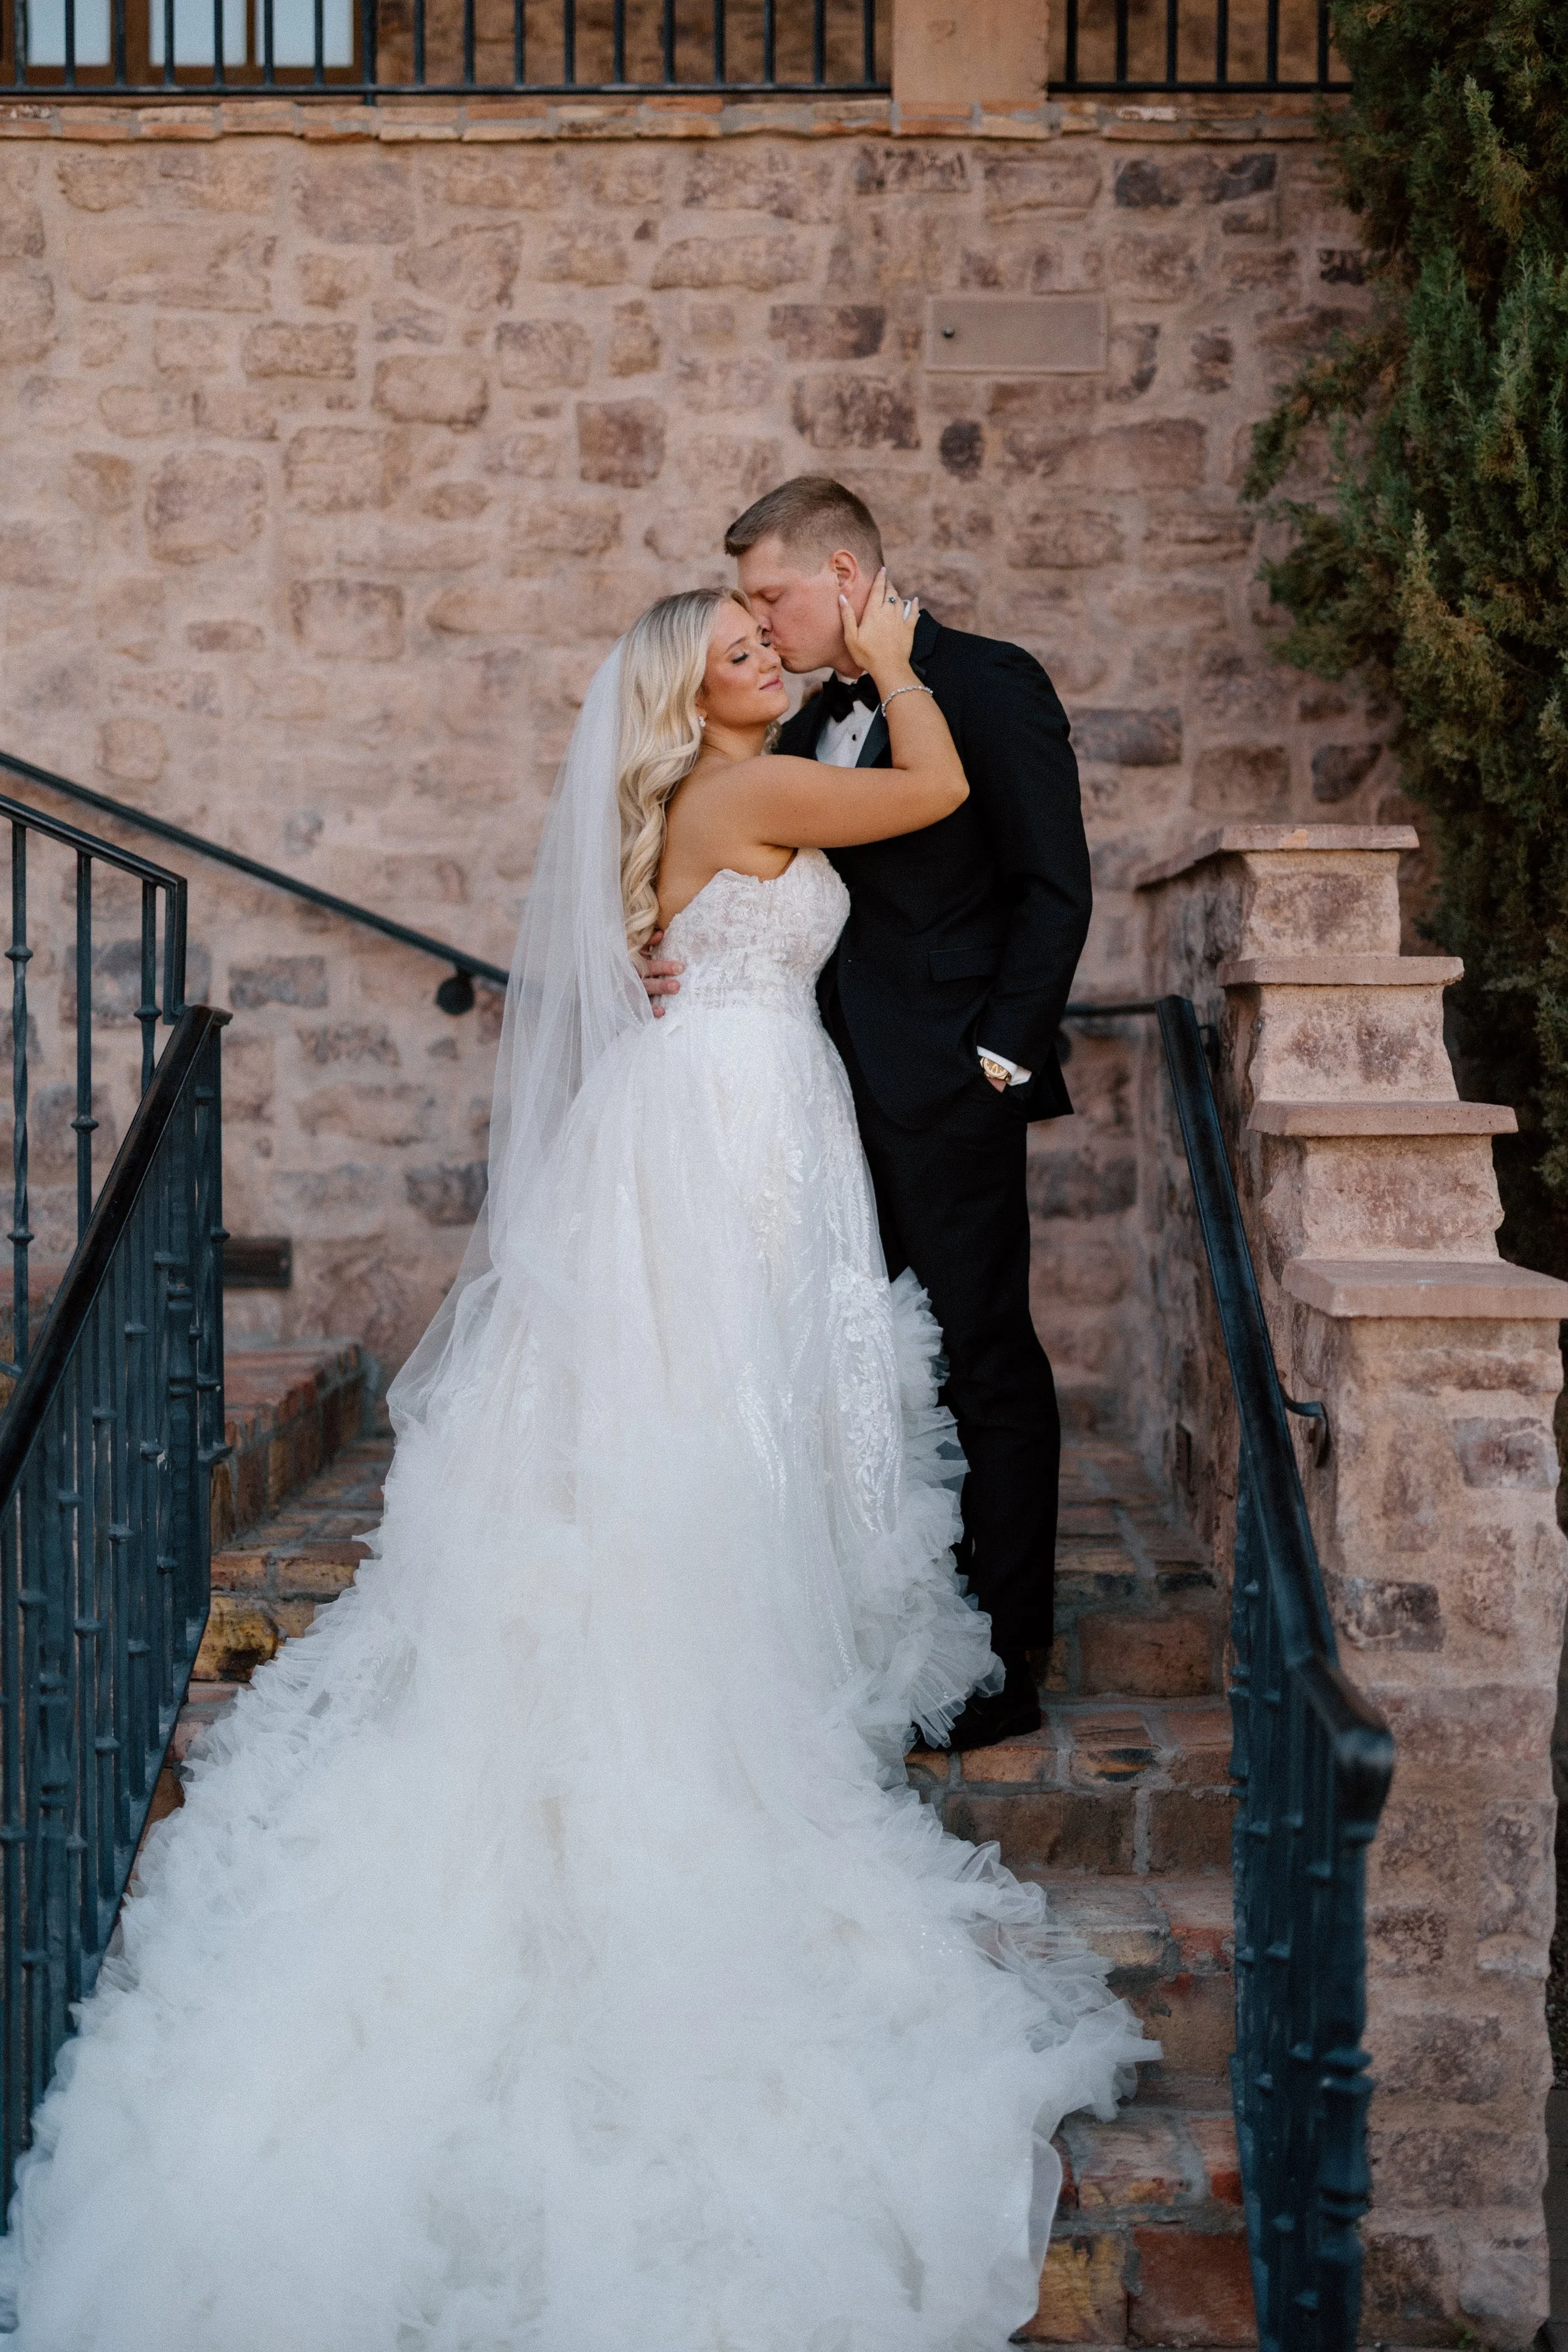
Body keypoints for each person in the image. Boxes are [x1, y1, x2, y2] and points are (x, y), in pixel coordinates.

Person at [0, 583, 1147, 2352]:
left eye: (773, 647)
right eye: (743, 656)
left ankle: (748, 1628)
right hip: (735, 1124)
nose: (771, 665)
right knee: (715, 1402)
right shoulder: (747, 788)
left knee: (707, 1402)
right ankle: (728, 1673)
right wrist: (901, 662)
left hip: (724, 1110)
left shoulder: (692, 801)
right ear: (691, 698)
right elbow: (926, 792)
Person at [642, 477, 1091, 1749]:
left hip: (947, 1091)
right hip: (810, 1106)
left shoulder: (986, 683)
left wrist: (999, 1060)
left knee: (980, 1358)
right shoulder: (801, 726)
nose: (760, 622)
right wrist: (654, 946)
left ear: (844, 576)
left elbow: (1052, 886)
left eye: (770, 594)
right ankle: (879, 1628)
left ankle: (1000, 1661)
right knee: (854, 1363)